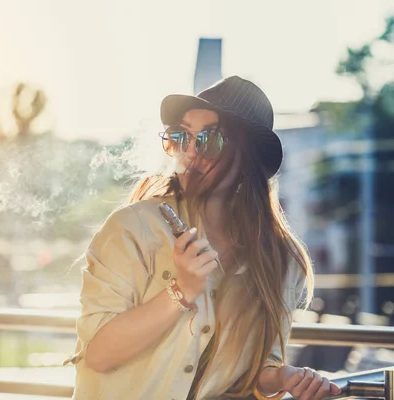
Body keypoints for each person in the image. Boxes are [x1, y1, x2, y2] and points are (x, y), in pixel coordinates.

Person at [65, 76, 341, 399]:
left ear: (246, 156)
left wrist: (281, 376)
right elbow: (98, 354)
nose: (191, 152)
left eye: (208, 140)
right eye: (181, 137)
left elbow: (257, 369)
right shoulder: (132, 229)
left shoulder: (280, 258)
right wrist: (180, 292)